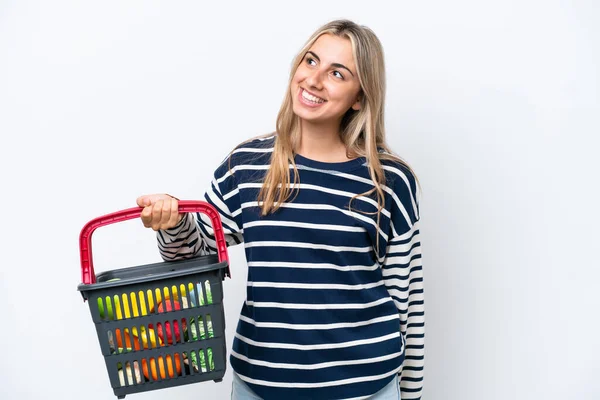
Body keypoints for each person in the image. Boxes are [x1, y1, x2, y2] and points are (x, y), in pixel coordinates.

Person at [137, 19, 424, 400]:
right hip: (262, 386)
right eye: (310, 61)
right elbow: (195, 255)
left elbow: (407, 300)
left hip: (364, 389)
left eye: (337, 73)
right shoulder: (246, 165)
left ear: (359, 96)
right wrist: (170, 223)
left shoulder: (389, 180)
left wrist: (412, 394)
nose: (314, 80)